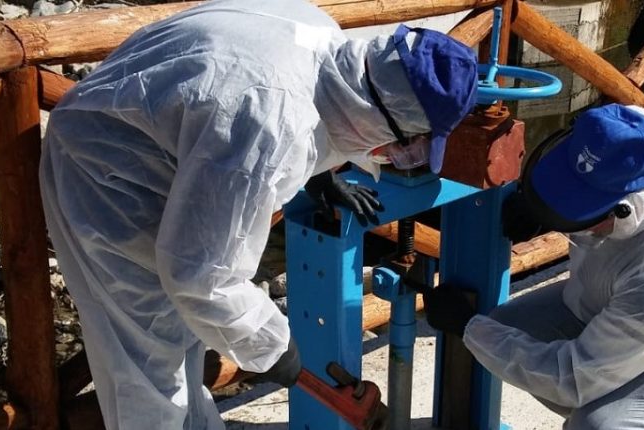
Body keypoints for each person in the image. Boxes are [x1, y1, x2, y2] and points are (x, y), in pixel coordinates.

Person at [39, 0, 478, 428]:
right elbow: (201, 277)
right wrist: (272, 346)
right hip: (105, 175)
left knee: (184, 334)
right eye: (406, 144)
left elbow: (310, 104)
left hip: (148, 132)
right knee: (146, 365)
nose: (396, 155)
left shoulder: (321, 34)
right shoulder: (271, 125)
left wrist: (320, 175)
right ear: (381, 118)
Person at [428, 103, 644, 429]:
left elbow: (571, 379)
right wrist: (543, 209)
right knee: (506, 327)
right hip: (629, 302)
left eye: (580, 213)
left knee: (598, 425)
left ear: (623, 212)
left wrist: (468, 328)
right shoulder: (628, 135)